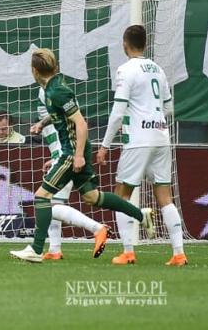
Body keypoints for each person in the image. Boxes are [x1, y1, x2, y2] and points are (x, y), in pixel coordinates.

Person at [10, 48, 154, 263]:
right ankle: (141, 215)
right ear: (55, 67)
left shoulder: (56, 90)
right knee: (92, 197)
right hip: (76, 148)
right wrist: (42, 123)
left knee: (42, 197)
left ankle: (37, 249)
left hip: (72, 150)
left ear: (34, 70)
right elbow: (63, 114)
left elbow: (81, 123)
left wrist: (77, 156)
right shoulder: (54, 87)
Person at [96, 25, 187, 266]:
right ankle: (179, 253)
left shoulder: (126, 70)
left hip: (138, 141)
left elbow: (117, 113)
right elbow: (168, 108)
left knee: (121, 195)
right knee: (165, 196)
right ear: (145, 44)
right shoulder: (158, 70)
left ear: (125, 43)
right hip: (161, 137)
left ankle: (128, 251)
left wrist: (105, 145)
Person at [30, 91, 111, 261]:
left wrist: (60, 156)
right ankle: (54, 249)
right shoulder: (53, 90)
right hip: (62, 155)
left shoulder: (49, 90)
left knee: (48, 204)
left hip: (66, 156)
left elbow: (67, 122)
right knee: (54, 204)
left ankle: (97, 228)